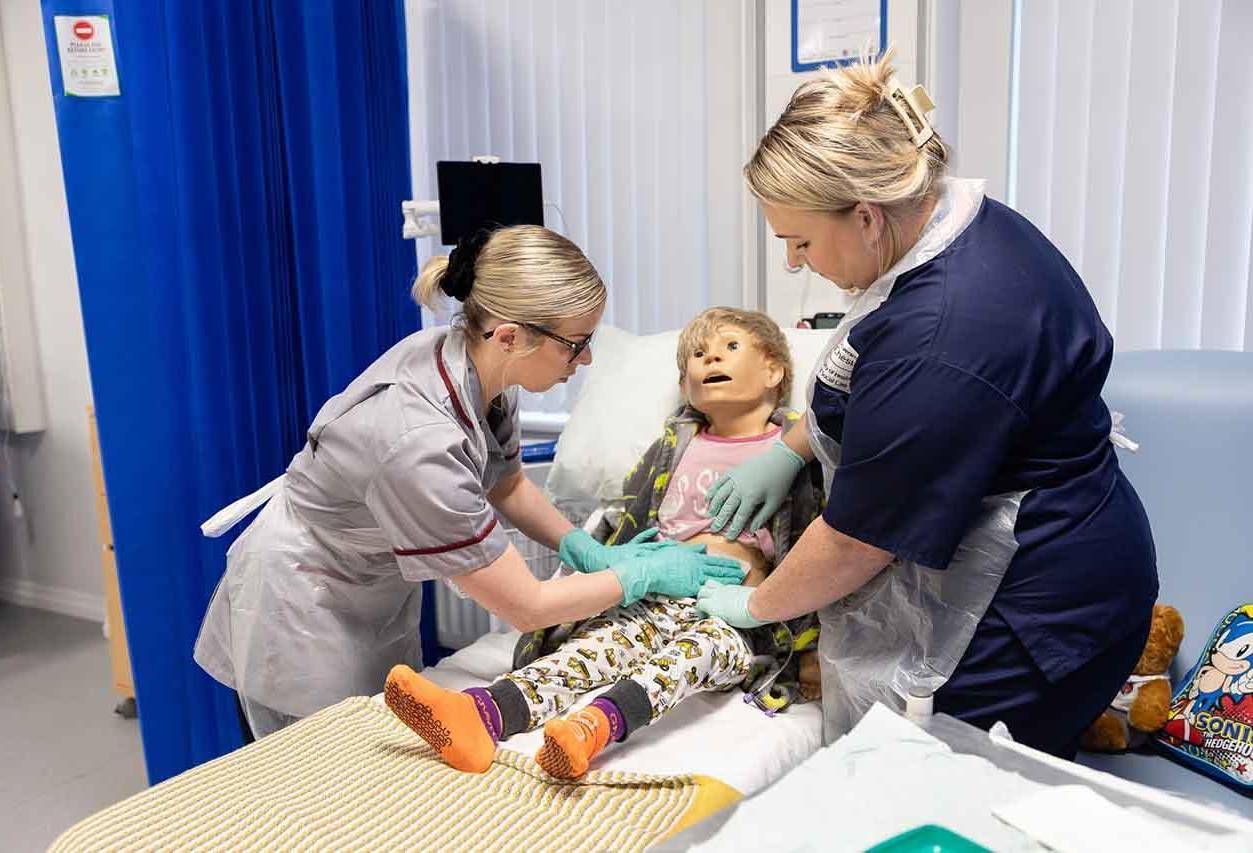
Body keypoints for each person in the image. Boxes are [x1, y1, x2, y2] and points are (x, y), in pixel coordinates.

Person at [694, 52, 1159, 759]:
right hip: (1074, 553)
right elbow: (866, 375)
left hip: (1041, 608)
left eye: (800, 242)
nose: (793, 263)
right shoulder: (952, 223)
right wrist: (788, 449)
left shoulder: (942, 335)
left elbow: (855, 539)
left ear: (865, 216)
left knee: (952, 796)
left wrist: (753, 606)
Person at [193, 225, 744, 738]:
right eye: (576, 342)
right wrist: (644, 574)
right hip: (306, 602)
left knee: (377, 743)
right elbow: (525, 607)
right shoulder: (418, 440)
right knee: (317, 788)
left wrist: (585, 547)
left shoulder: (479, 368)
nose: (587, 357)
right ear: (509, 336)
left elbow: (504, 483)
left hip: (368, 587)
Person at [383, 307, 822, 777]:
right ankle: (479, 713)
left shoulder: (793, 452)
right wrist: (616, 564)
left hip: (738, 612)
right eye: (698, 354)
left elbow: (818, 550)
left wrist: (810, 647)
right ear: (684, 386)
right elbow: (630, 517)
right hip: (657, 594)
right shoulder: (673, 445)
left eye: (730, 347)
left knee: (691, 655)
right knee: (593, 648)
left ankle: (591, 729)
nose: (711, 356)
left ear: (774, 369)